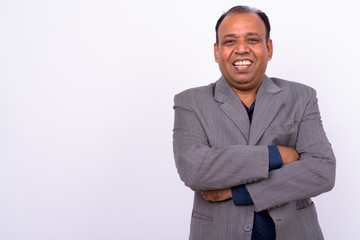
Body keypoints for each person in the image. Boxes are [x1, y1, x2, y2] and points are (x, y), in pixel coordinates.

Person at [172, 5, 336, 240]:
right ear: (217, 51)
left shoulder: (302, 97)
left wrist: (238, 192)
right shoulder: (190, 102)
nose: (241, 49)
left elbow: (322, 171)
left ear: (268, 48)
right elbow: (194, 169)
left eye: (252, 39)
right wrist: (277, 154)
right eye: (230, 42)